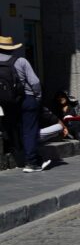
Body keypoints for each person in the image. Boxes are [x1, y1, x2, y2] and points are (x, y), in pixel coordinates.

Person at [0, 35, 50, 172]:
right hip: (26, 98)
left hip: (7, 103)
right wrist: (38, 97)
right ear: (11, 49)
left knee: (15, 129)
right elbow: (35, 82)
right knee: (29, 130)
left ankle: (21, 155)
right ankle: (31, 162)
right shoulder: (20, 61)